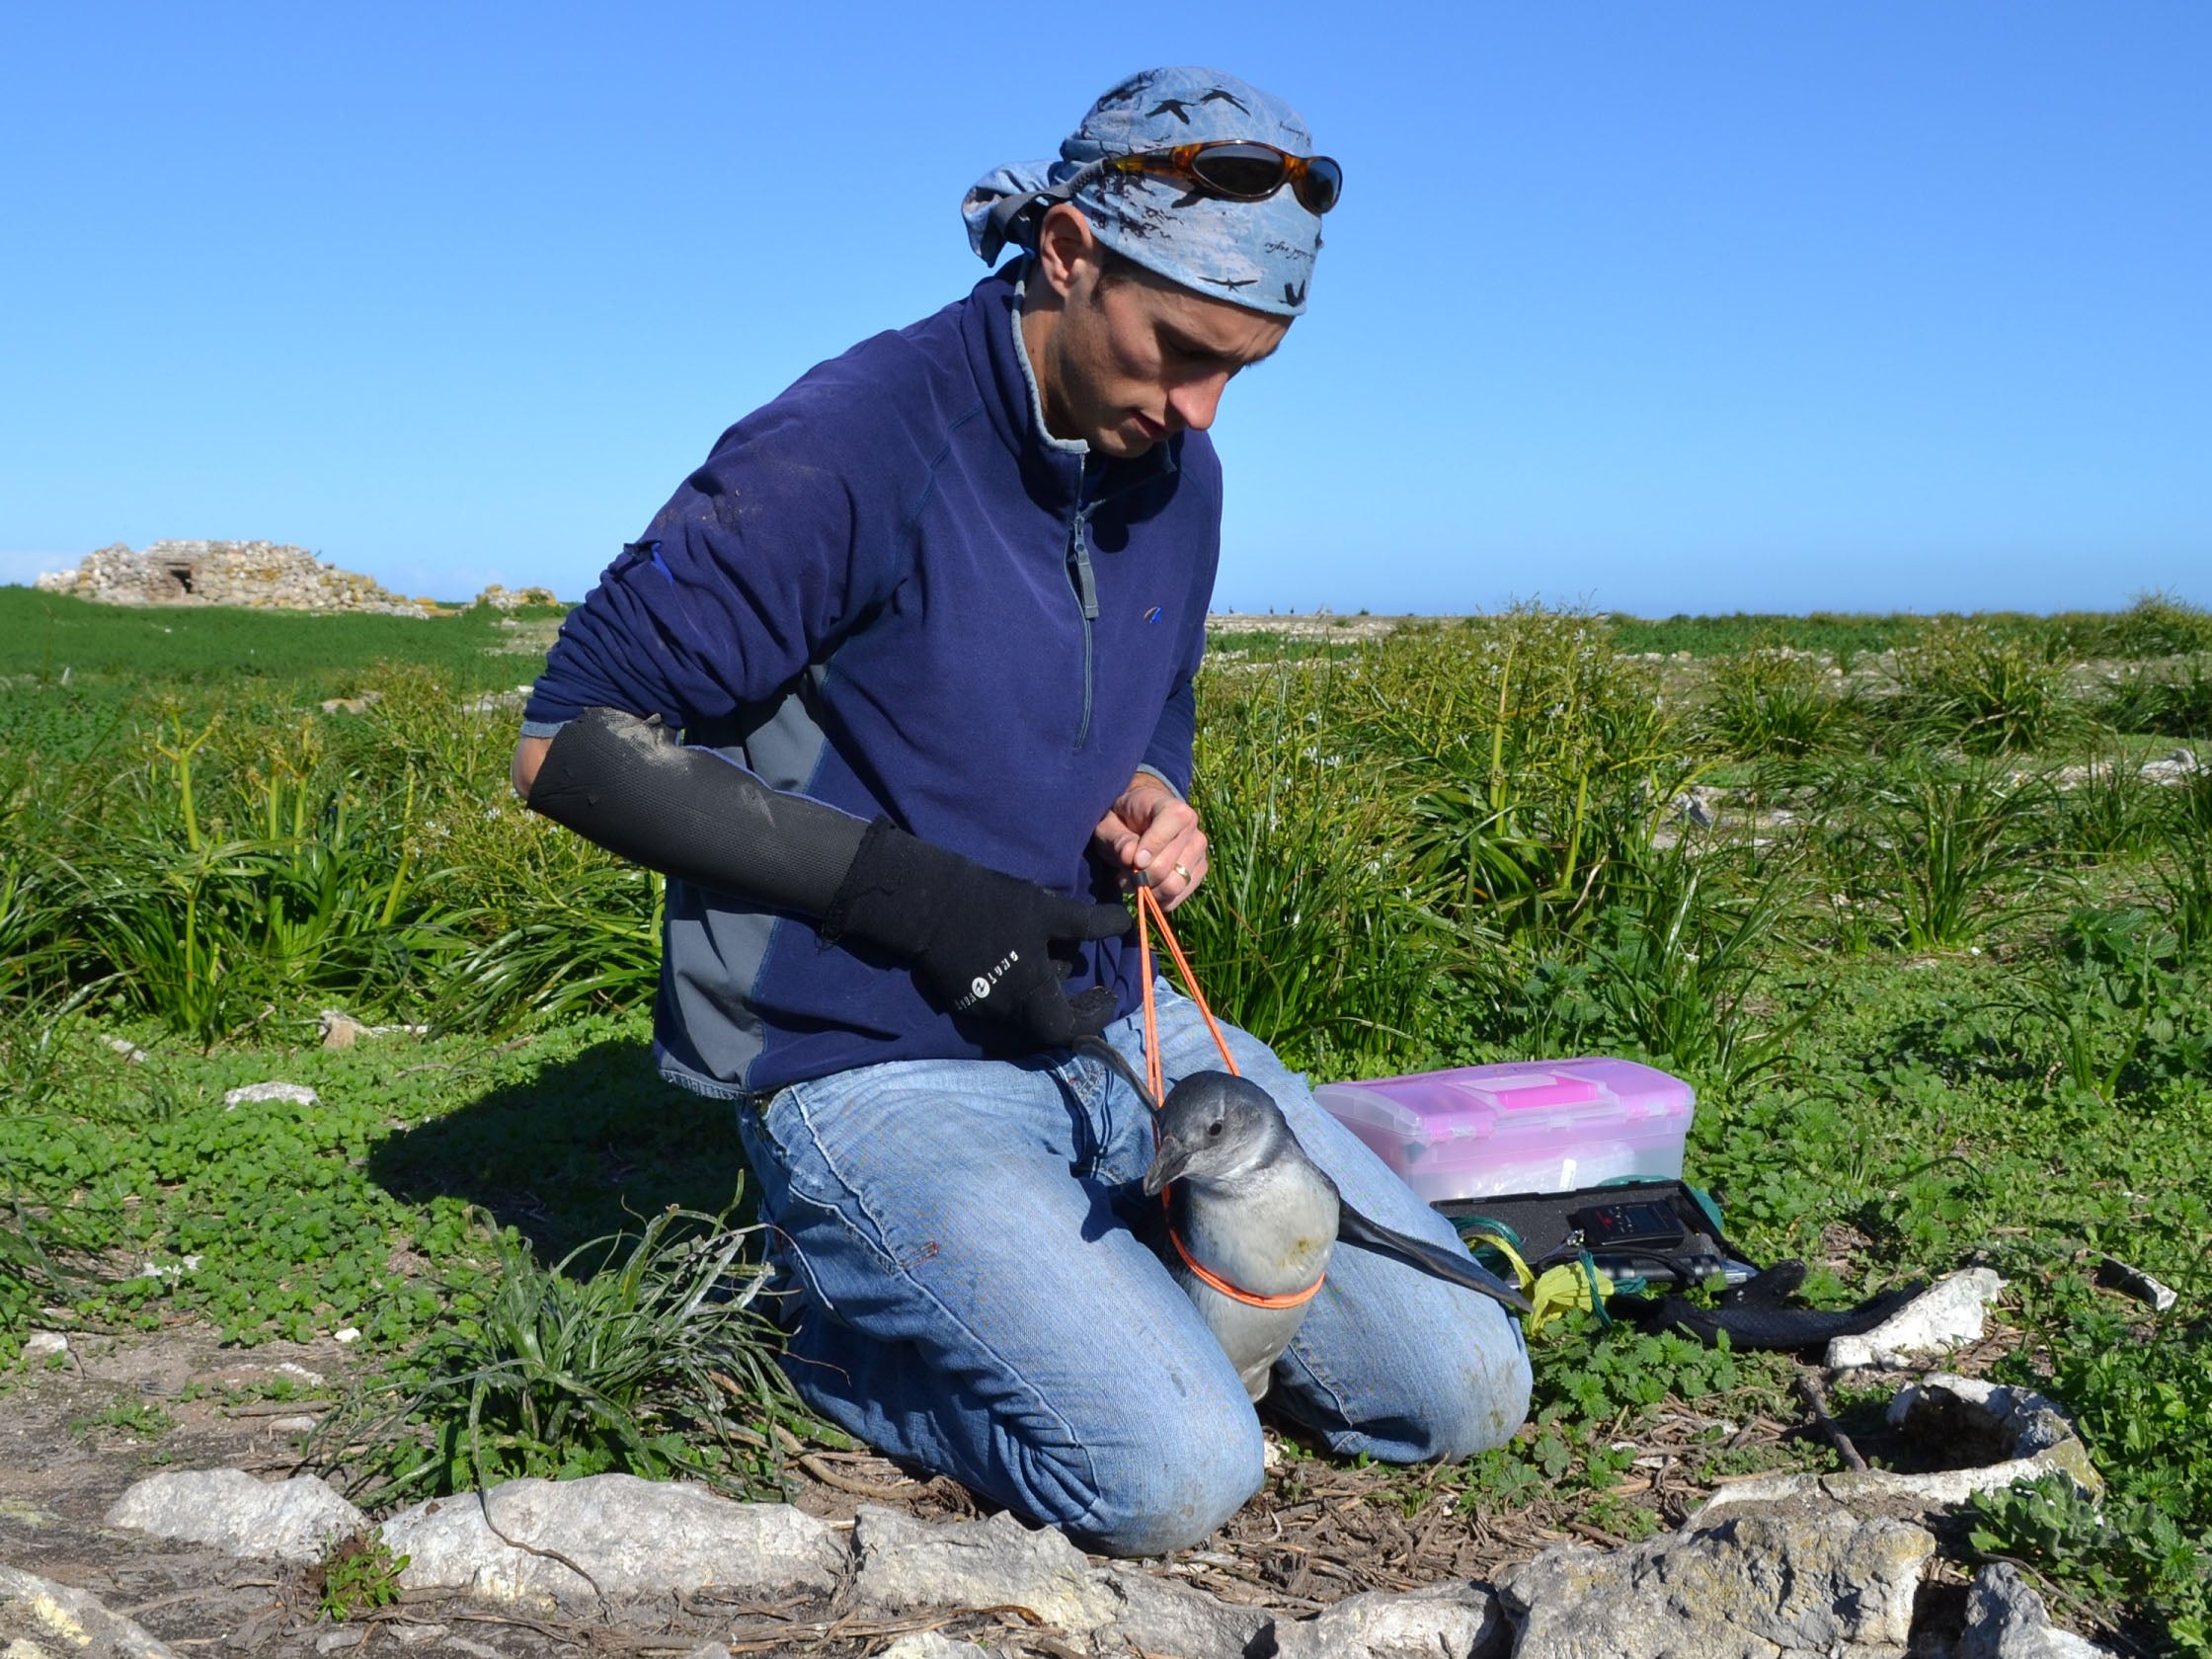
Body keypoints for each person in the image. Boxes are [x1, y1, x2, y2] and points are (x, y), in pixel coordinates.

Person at [511, 66, 1530, 1557]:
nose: (1199, 408)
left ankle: (1113, 1304)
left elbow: (1152, 697)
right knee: (1175, 1475)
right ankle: (833, 1336)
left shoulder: (1174, 467)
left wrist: (1154, 790)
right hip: (870, 1060)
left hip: (1113, 1017)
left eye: (1244, 370)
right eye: (1180, 350)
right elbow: (566, 748)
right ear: (1066, 252)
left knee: (1462, 1388)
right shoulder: (854, 438)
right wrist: (912, 897)